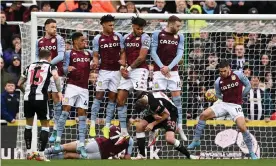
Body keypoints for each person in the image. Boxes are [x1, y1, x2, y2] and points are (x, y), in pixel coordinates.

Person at [187, 60, 259, 160]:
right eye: (220, 71)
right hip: (223, 103)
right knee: (203, 115)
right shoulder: (218, 81)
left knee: (242, 127)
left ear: (229, 68)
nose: (222, 73)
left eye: (224, 71)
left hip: (235, 105)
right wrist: (214, 96)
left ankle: (251, 152)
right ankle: (196, 140)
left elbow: (248, 85)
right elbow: (218, 95)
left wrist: (241, 96)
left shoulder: (238, 74)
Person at [17, 50, 63, 161]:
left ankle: (28, 153)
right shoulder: (51, 66)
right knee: (45, 125)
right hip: (41, 98)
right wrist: (59, 91)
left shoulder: (30, 66)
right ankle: (41, 154)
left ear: (39, 57)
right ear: (49, 57)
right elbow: (56, 77)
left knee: (28, 125)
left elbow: (19, 84)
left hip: (28, 99)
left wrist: (26, 93)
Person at [55, 32, 92, 158]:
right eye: (82, 40)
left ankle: (81, 144)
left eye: (85, 41)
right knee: (65, 111)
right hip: (71, 86)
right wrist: (67, 69)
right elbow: (63, 68)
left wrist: (95, 65)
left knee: (82, 115)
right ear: (75, 41)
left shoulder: (89, 53)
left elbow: (98, 61)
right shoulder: (68, 53)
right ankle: (57, 140)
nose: (84, 42)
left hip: (84, 89)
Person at [151, 15, 187, 141]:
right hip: (158, 71)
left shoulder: (180, 36)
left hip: (173, 72)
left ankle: (179, 126)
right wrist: (162, 67)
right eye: (177, 26)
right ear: (170, 24)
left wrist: (169, 68)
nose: (179, 28)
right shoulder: (157, 34)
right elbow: (153, 52)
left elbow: (179, 55)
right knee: (156, 101)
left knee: (177, 100)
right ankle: (154, 130)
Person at [115, 17, 150, 143]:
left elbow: (142, 57)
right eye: (138, 28)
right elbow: (123, 53)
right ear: (133, 26)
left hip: (140, 70)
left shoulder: (145, 37)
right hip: (127, 70)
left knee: (142, 99)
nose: (140, 31)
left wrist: (128, 69)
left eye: (142, 29)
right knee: (119, 99)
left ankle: (142, 121)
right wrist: (122, 67)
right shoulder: (126, 38)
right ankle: (123, 130)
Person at [90, 14, 125, 138]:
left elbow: (122, 52)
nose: (112, 27)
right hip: (103, 71)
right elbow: (95, 55)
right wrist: (94, 62)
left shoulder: (119, 36)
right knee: (99, 95)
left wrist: (122, 63)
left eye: (113, 24)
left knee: (112, 98)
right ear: (103, 25)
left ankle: (107, 125)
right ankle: (92, 125)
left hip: (116, 72)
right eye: (110, 25)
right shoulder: (97, 39)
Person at [133, 91, 192, 159]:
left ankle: (189, 155)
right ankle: (142, 155)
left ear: (146, 105)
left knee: (169, 139)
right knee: (139, 126)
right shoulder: (141, 96)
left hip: (170, 112)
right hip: (158, 110)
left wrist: (152, 124)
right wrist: (153, 114)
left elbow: (166, 114)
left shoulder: (154, 104)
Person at [35, 18, 66, 143]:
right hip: (43, 74)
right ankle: (45, 127)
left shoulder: (59, 39)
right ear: (46, 27)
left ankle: (56, 131)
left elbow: (61, 56)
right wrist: (40, 66)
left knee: (57, 101)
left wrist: (46, 65)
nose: (55, 29)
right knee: (44, 99)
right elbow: (36, 56)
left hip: (56, 73)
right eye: (52, 27)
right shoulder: (39, 41)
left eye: (56, 27)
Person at [44, 125, 133, 160]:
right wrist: (117, 155)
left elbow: (106, 135)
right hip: (100, 156)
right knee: (68, 155)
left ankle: (43, 154)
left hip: (95, 145)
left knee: (66, 146)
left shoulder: (114, 128)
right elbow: (127, 157)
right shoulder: (130, 141)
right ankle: (49, 158)